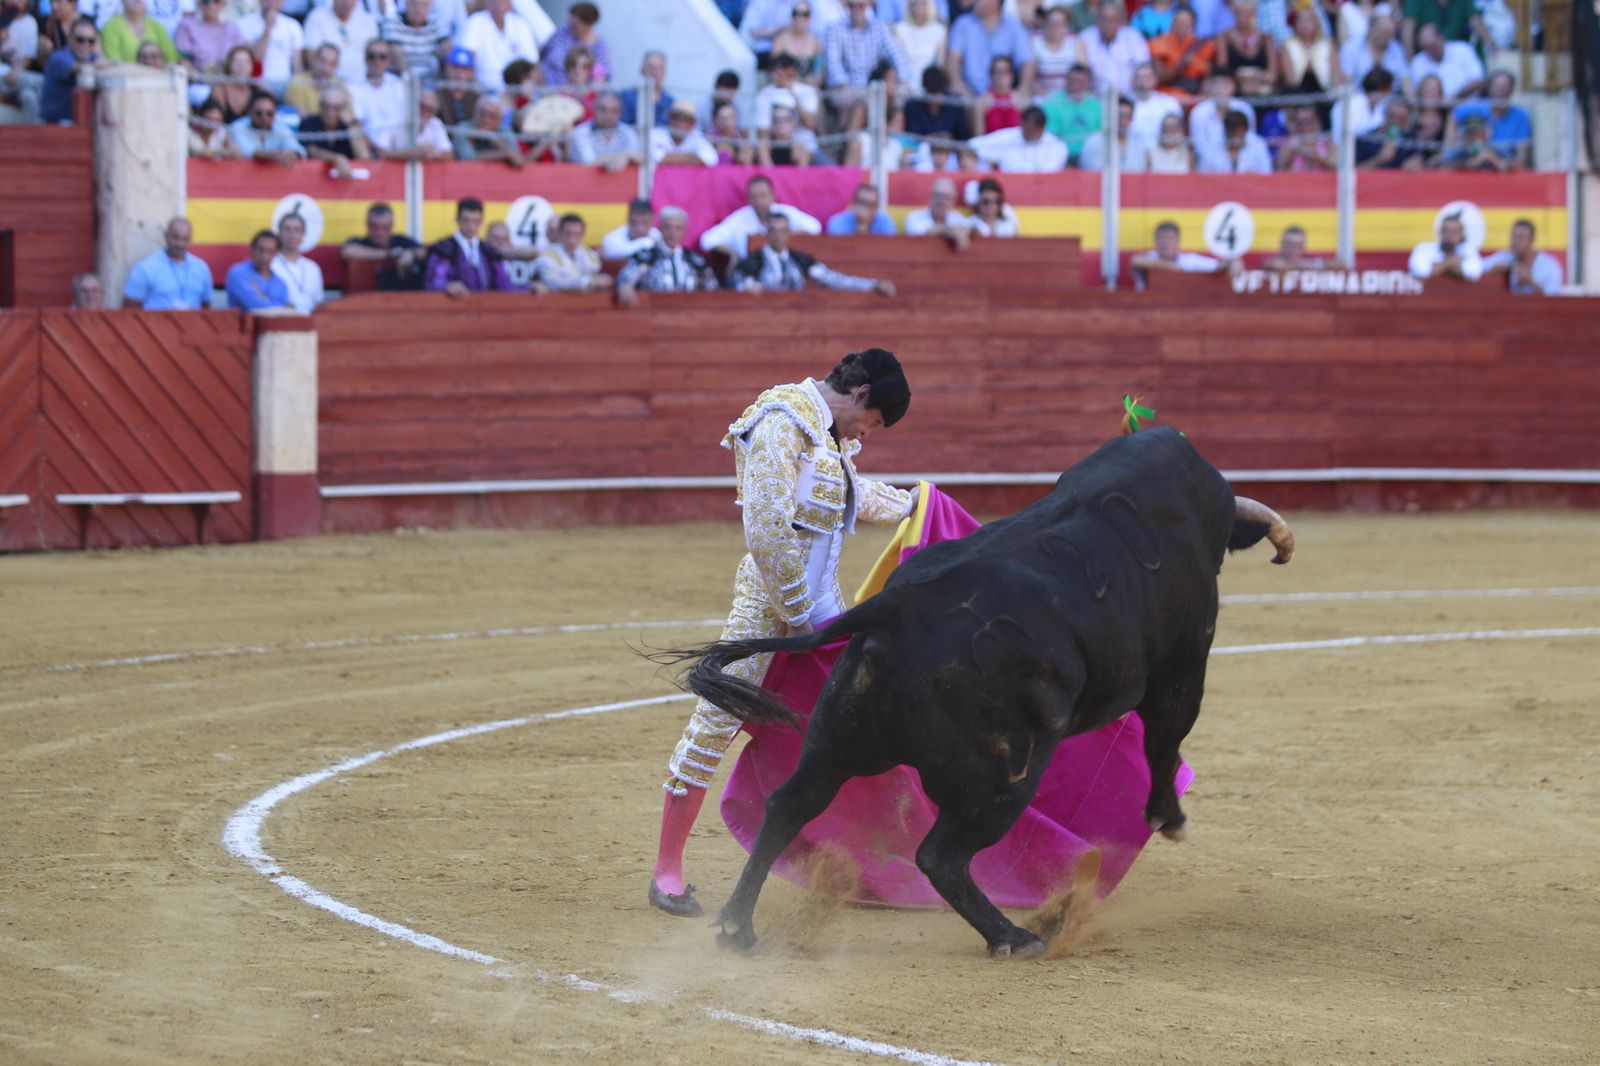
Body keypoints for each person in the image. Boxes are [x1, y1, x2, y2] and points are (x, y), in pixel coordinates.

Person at [649, 348, 916, 917]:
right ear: (862, 393)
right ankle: (667, 872)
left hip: (819, 614)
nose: (868, 432)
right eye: (873, 421)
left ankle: (854, 865)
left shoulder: (827, 436)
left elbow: (854, 495)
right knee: (712, 728)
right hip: (767, 615)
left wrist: (915, 504)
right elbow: (766, 527)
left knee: (853, 730)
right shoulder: (782, 419)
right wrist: (797, 618)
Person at [729, 214, 895, 295]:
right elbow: (735, 279)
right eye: (773, 231)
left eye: (783, 231)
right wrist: (747, 285)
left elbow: (832, 279)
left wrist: (872, 285)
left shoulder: (800, 260)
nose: (778, 236)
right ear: (766, 233)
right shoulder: (753, 261)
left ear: (789, 234)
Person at [701, 174, 823, 259]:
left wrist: (783, 235)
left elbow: (814, 227)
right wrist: (733, 253)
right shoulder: (739, 218)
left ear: (772, 196)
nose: (759, 201)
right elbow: (707, 240)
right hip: (751, 272)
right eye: (754, 196)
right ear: (748, 199)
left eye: (763, 195)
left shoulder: (785, 212)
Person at [615, 206, 718, 304]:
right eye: (668, 227)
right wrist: (625, 285)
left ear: (684, 230)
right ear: (660, 228)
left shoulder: (695, 260)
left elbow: (713, 290)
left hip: (690, 315)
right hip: (653, 313)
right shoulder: (646, 256)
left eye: (678, 228)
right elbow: (626, 276)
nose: (672, 233)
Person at [425, 197, 516, 296]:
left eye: (476, 221)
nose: (471, 226)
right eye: (466, 220)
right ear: (458, 219)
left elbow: (503, 285)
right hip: (454, 308)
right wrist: (446, 286)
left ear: (481, 222)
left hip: (484, 308)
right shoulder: (443, 249)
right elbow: (431, 283)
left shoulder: (487, 250)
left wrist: (528, 289)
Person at [946, 0, 1031, 98]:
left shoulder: (1014, 27)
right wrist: (957, 84)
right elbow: (953, 59)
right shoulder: (962, 24)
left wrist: (1022, 89)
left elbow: (1027, 62)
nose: (974, 1)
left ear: (995, 2)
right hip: (970, 96)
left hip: (1004, 96)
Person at [123, 217, 213, 309]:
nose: (179, 243)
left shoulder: (201, 268)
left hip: (193, 323)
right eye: (175, 237)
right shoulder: (145, 268)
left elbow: (206, 307)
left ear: (190, 240)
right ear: (166, 236)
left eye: (185, 239)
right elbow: (130, 311)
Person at [1452, 70, 1531, 170]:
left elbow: (1522, 159)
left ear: (1511, 91)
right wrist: (1452, 141)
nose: (1501, 91)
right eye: (1497, 87)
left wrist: (1497, 162)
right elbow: (1453, 113)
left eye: (1505, 87)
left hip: (1505, 172)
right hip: (1474, 168)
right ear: (1490, 89)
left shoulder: (1521, 116)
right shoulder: (1476, 108)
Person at [459, 0, 539, 93]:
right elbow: (467, 59)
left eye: (503, 2)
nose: (499, 6)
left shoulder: (521, 25)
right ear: (487, 3)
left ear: (510, 4)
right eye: (495, 2)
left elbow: (532, 62)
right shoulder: (475, 22)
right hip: (483, 91)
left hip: (516, 92)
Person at [342, 202, 425, 290]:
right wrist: (389, 254)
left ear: (392, 225)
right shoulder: (359, 242)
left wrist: (411, 254)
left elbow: (425, 252)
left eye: (385, 227)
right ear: (367, 225)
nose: (380, 232)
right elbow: (347, 252)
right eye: (375, 226)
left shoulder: (402, 241)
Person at [295, 85, 370, 176]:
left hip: (346, 183)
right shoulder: (308, 123)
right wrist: (337, 158)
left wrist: (351, 124)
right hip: (312, 178)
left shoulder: (350, 126)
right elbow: (310, 150)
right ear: (320, 106)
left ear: (344, 108)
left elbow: (364, 157)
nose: (330, 113)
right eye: (326, 107)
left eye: (336, 108)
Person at [1079, 0, 1148, 97]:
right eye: (1104, 18)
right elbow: (1080, 73)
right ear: (1097, 19)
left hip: (1129, 98)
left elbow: (1143, 69)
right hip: (1094, 98)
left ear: (1120, 20)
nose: (1108, 23)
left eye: (1112, 19)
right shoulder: (1084, 38)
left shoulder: (1134, 38)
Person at [347, 37, 407, 149]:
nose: (377, 61)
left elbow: (405, 120)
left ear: (389, 61)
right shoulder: (353, 87)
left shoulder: (398, 85)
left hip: (399, 146)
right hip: (370, 148)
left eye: (382, 57)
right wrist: (376, 149)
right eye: (372, 56)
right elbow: (358, 124)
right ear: (365, 59)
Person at [968, 103, 1067, 171]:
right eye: (1023, 127)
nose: (1024, 132)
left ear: (1041, 128)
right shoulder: (1011, 136)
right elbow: (973, 145)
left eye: (1029, 129)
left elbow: (1046, 174)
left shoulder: (1056, 146)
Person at [39, 16, 101, 124]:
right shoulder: (58, 58)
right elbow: (79, 69)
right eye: (80, 40)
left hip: (78, 122)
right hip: (56, 123)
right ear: (70, 39)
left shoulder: (92, 58)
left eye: (91, 41)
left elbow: (103, 63)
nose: (86, 45)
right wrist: (101, 64)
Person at [1130, 219, 1227, 287]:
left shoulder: (1189, 260)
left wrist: (1234, 262)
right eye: (1161, 239)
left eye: (1169, 239)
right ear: (1155, 241)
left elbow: (1219, 265)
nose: (1165, 243)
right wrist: (1173, 266)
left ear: (1178, 241)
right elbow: (1135, 261)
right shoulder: (1149, 257)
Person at [530, 213, 610, 293]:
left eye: (577, 234)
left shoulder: (590, 255)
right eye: (568, 233)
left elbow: (601, 278)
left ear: (582, 235)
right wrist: (590, 283)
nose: (572, 240)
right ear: (560, 233)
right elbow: (555, 283)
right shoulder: (546, 256)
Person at [304, 0, 379, 85]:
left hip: (365, 83)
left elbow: (376, 53)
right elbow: (311, 57)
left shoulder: (368, 19)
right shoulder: (316, 17)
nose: (346, 2)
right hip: (329, 84)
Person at [1482, 219, 1562, 296]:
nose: (1515, 242)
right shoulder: (1505, 257)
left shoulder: (1549, 265)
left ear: (1531, 239)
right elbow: (1477, 268)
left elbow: (1553, 300)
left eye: (1521, 238)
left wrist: (1530, 282)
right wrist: (1497, 270)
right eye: (1513, 238)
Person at [1149, 5, 1215, 98]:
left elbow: (1208, 76)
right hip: (1166, 95)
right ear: (1172, 22)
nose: (1181, 25)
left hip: (1195, 95)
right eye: (1178, 21)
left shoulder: (1204, 45)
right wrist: (1182, 64)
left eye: (1186, 22)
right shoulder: (1158, 43)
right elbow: (1160, 78)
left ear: (1193, 25)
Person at [1038, 62, 1099, 161]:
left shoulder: (1097, 105)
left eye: (1080, 81)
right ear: (1065, 80)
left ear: (1088, 83)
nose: (1075, 85)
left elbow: (1098, 135)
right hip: (1060, 153)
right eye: (1072, 80)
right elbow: (1051, 135)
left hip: (1089, 155)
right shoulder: (1052, 102)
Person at [236, 0, 304, 89]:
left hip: (286, 86)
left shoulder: (293, 26)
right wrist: (268, 28)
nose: (272, 3)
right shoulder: (244, 23)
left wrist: (298, 88)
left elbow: (297, 65)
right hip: (256, 85)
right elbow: (255, 59)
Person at [1407, 23, 1482, 103]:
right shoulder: (1418, 62)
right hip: (1435, 110)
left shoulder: (1463, 50)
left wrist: (1456, 97)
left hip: (1467, 107)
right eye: (1426, 47)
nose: (1430, 51)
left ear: (1442, 38)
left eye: (1432, 46)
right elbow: (1418, 93)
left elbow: (1478, 81)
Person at [567, 88, 640, 170]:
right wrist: (624, 155)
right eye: (603, 110)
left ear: (620, 113)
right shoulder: (580, 133)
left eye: (614, 111)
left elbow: (637, 158)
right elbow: (588, 163)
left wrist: (626, 156)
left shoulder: (628, 132)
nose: (608, 116)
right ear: (594, 109)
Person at [539, 0, 607, 86]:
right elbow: (542, 54)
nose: (570, 26)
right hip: (546, 90)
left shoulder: (600, 46)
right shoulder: (563, 32)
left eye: (575, 24)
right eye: (570, 22)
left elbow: (601, 78)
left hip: (576, 96)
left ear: (588, 25)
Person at [380, 0, 449, 83]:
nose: (418, 9)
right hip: (399, 79)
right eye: (414, 3)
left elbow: (447, 46)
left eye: (423, 5)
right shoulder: (392, 22)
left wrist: (435, 62)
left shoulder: (437, 22)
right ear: (406, 4)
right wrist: (412, 81)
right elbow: (397, 55)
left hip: (430, 79)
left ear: (430, 6)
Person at [229, 92, 306, 165]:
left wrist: (293, 154)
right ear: (250, 112)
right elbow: (247, 152)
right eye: (259, 113)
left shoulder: (280, 127)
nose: (264, 118)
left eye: (269, 114)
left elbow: (298, 149)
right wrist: (277, 155)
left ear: (275, 114)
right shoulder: (238, 127)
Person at [1078, 95, 1151, 171]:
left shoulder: (1139, 144)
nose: (1121, 121)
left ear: (1131, 119)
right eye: (1118, 116)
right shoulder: (1093, 142)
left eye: (1126, 117)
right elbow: (1090, 172)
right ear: (1110, 116)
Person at [271, 212, 324, 314]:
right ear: (279, 233)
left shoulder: (313, 268)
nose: (292, 234)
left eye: (297, 230)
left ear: (303, 235)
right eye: (287, 229)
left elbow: (318, 302)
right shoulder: (271, 265)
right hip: (282, 319)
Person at [226, 229, 292, 311]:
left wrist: (263, 298)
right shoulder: (238, 273)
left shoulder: (280, 283)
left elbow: (285, 311)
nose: (264, 256)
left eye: (270, 251)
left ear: (276, 254)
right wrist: (277, 306)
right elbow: (254, 306)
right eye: (260, 250)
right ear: (252, 249)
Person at [1408, 212, 1482, 282]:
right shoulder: (1424, 249)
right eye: (1446, 231)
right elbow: (1421, 272)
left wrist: (1438, 267)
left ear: (1462, 234)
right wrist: (1452, 261)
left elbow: (1473, 273)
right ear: (1440, 232)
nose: (1450, 235)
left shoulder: (1468, 250)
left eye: (1455, 232)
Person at [904, 175, 975, 247]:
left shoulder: (956, 217)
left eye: (947, 198)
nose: (942, 201)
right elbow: (919, 231)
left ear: (953, 201)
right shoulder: (914, 217)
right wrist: (949, 230)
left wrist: (967, 231)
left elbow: (974, 227)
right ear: (930, 196)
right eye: (938, 196)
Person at [101, 0, 177, 66]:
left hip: (160, 79)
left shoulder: (156, 26)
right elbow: (114, 62)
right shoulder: (112, 27)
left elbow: (171, 60)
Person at [174, 0, 240, 75]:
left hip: (230, 80)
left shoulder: (231, 28)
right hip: (199, 81)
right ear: (199, 3)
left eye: (216, 2)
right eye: (205, 1)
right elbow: (184, 61)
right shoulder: (187, 25)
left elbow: (241, 58)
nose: (211, 6)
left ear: (224, 4)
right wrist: (200, 76)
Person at [647, 98, 718, 167]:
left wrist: (668, 157)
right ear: (669, 119)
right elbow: (651, 156)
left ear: (692, 124)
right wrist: (691, 157)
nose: (679, 124)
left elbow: (711, 158)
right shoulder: (655, 134)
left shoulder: (696, 137)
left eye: (684, 120)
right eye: (676, 118)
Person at [1128, 61, 1181, 146]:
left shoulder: (1168, 104)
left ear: (1155, 79)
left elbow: (1176, 134)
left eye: (1147, 77)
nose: (1143, 81)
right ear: (1133, 80)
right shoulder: (1124, 105)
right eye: (1139, 77)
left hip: (1160, 153)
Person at [285, 42, 344, 118]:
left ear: (337, 66)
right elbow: (305, 120)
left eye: (331, 63)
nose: (325, 67)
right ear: (314, 60)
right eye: (322, 61)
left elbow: (348, 119)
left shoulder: (340, 87)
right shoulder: (297, 83)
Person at [895, 0, 947, 84]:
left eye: (923, 4)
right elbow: (899, 63)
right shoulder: (900, 29)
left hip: (930, 84)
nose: (919, 8)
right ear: (910, 7)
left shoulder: (939, 30)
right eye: (915, 4)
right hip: (906, 82)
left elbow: (940, 64)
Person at [618, 49, 673, 127]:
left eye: (659, 67)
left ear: (664, 72)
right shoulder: (626, 97)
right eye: (650, 66)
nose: (654, 71)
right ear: (642, 70)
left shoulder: (670, 103)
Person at [1275, 105, 1335, 171]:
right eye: (1301, 123)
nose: (1306, 126)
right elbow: (1279, 169)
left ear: (1317, 121)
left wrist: (1306, 152)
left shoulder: (1328, 142)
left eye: (1309, 121)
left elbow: (1337, 166)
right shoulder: (1289, 144)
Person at [826, 182, 897, 235]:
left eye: (870, 204)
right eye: (862, 202)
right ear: (853, 203)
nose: (865, 208)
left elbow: (889, 248)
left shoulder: (885, 221)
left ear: (876, 207)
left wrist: (864, 224)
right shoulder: (837, 221)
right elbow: (838, 249)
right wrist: (862, 226)